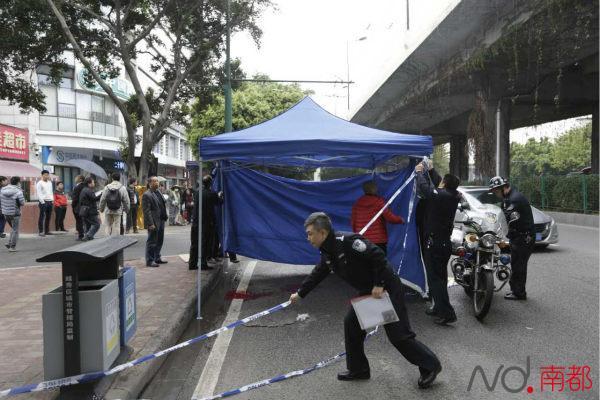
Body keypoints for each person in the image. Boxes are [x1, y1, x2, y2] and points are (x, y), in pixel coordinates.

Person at [290, 212, 442, 389]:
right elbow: (319, 272)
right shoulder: (328, 251)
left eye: (310, 233)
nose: (308, 238)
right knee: (352, 325)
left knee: (399, 336)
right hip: (370, 292)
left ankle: (431, 366)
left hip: (386, 290)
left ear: (322, 232)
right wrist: (300, 293)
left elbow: (378, 256)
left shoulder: (347, 242)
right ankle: (359, 370)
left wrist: (379, 283)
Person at [416, 162, 461, 325]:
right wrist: (431, 170)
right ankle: (437, 308)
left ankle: (447, 313)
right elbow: (439, 183)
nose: (439, 182)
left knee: (436, 280)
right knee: (438, 277)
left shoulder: (440, 195)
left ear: (444, 184)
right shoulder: (454, 195)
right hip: (443, 243)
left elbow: (426, 189)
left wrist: (420, 172)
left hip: (435, 243)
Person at [489, 176, 535, 300]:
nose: (495, 193)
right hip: (518, 236)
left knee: (519, 265)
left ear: (502, 187)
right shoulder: (508, 197)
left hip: (524, 237)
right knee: (515, 263)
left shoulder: (514, 199)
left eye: (495, 191)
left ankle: (519, 293)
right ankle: (515, 290)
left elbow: (508, 219)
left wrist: (502, 234)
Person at [351, 180, 404, 255]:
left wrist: (357, 234)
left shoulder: (357, 203)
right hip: (378, 241)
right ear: (374, 189)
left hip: (362, 239)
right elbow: (390, 218)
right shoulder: (379, 202)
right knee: (380, 263)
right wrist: (401, 220)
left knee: (365, 264)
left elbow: (353, 222)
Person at [189, 176, 222, 270]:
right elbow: (220, 202)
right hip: (207, 222)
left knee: (195, 243)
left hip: (196, 221)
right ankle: (203, 264)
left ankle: (192, 264)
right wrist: (220, 195)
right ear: (210, 183)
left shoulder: (196, 192)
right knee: (205, 243)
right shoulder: (212, 193)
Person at [143, 176, 168, 267]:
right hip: (153, 222)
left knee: (160, 240)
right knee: (152, 241)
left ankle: (157, 257)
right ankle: (150, 260)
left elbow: (162, 204)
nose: (157, 183)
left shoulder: (158, 192)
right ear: (150, 183)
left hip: (161, 220)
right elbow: (146, 211)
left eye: (157, 181)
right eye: (154, 181)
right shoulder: (147, 194)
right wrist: (150, 223)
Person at [99, 172, 130, 236]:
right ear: (119, 178)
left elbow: (103, 199)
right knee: (117, 225)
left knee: (108, 225)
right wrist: (127, 209)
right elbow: (126, 200)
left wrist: (101, 209)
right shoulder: (122, 187)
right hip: (118, 209)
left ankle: (107, 238)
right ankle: (117, 240)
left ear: (112, 178)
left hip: (108, 209)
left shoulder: (107, 187)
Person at [0, 177, 25, 252]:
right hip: (15, 213)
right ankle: (12, 246)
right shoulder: (18, 191)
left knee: (13, 229)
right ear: (18, 183)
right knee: (15, 230)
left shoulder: (3, 190)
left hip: (5, 213)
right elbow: (22, 203)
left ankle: (9, 243)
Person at [79, 177, 101, 241]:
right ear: (89, 183)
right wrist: (101, 195)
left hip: (84, 211)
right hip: (90, 211)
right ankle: (88, 236)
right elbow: (94, 198)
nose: (94, 183)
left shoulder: (84, 190)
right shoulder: (88, 190)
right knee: (97, 224)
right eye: (93, 182)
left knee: (87, 225)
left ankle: (88, 237)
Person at [36, 170, 54, 236]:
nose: (47, 176)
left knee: (48, 217)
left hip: (50, 201)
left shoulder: (50, 183)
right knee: (42, 217)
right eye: (45, 175)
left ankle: (47, 231)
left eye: (47, 175)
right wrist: (42, 202)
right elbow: (39, 193)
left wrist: (52, 200)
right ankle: (41, 231)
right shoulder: (39, 183)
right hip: (43, 202)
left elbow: (51, 192)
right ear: (42, 175)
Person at [71, 175, 86, 240]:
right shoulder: (85, 186)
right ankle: (87, 234)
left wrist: (73, 205)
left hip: (77, 206)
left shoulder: (77, 187)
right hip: (84, 206)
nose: (75, 178)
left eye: (76, 177)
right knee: (84, 221)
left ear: (80, 179)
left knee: (79, 221)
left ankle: (81, 235)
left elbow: (75, 198)